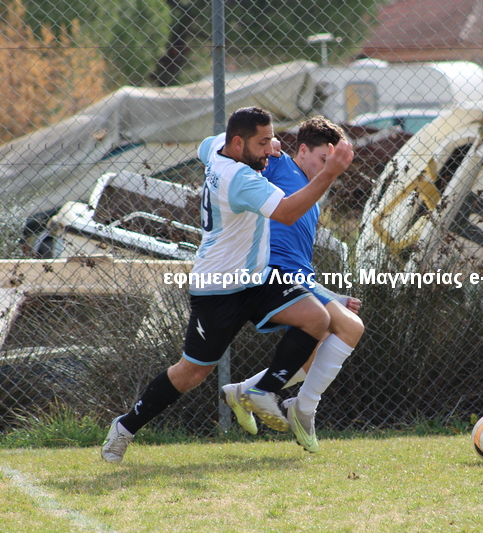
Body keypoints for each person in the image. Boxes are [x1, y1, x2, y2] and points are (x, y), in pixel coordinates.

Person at [101, 107, 354, 464]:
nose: (271, 150)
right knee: (192, 373)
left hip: (257, 279)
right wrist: (329, 173)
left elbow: (206, 144)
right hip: (218, 289)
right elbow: (286, 212)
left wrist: (269, 142)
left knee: (316, 318)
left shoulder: (220, 149)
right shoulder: (240, 180)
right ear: (239, 144)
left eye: (271, 140)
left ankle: (262, 391)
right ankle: (125, 426)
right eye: (262, 143)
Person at [219, 116, 364, 453]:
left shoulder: (313, 193)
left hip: (299, 278)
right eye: (322, 160)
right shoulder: (280, 165)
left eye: (332, 163)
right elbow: (238, 153)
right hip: (275, 274)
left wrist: (331, 295)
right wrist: (268, 146)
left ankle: (242, 391)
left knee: (315, 356)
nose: (327, 169)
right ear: (301, 151)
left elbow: (302, 260)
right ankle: (303, 409)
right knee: (352, 329)